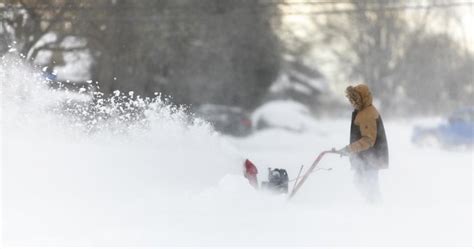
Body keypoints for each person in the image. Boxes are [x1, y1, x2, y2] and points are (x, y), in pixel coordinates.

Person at [337, 84, 389, 203]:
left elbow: (368, 140)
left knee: (370, 187)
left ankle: (376, 209)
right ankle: (370, 206)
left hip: (371, 159)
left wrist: (349, 149)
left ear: (363, 98)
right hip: (365, 158)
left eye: (355, 99)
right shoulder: (362, 111)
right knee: (360, 182)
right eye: (351, 100)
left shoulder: (368, 114)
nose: (353, 102)